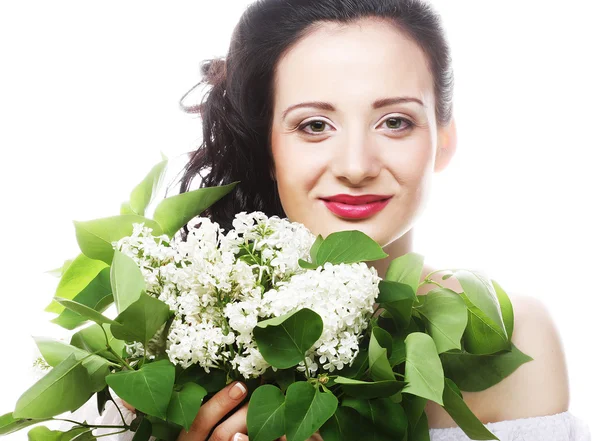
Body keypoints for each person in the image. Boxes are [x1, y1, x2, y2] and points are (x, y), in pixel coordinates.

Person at [74, 0, 591, 440]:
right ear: (267, 148)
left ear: (444, 139)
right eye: (314, 125)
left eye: (395, 122)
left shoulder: (509, 334)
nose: (355, 166)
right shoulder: (159, 348)